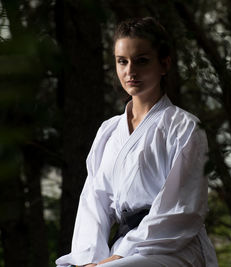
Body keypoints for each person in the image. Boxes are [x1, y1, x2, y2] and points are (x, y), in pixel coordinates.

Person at [55, 17, 218, 267]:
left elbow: (182, 210)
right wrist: (90, 260)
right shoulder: (108, 131)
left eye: (141, 61)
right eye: (122, 61)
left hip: (171, 249)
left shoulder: (184, 127)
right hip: (122, 250)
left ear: (164, 64)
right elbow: (94, 202)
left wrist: (119, 256)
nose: (130, 71)